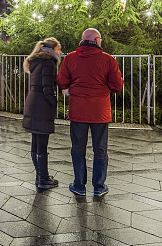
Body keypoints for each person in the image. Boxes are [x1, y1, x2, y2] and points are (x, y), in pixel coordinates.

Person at [56, 28, 124, 197]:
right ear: (96, 40)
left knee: (78, 148)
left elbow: (62, 81)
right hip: (99, 112)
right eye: (100, 39)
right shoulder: (108, 59)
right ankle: (99, 187)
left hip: (78, 110)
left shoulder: (70, 58)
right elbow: (117, 86)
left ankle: (79, 185)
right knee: (100, 149)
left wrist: (73, 89)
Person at [22, 37, 62, 190]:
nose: (60, 52)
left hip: (32, 103)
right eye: (58, 49)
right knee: (42, 145)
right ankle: (44, 179)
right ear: (52, 49)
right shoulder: (48, 62)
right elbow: (47, 88)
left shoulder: (35, 61)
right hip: (41, 106)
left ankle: (40, 177)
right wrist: (54, 103)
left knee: (36, 144)